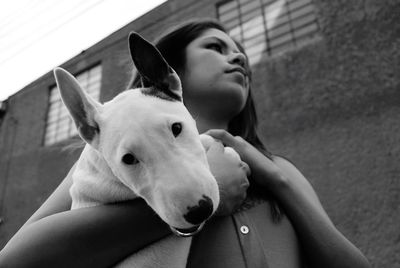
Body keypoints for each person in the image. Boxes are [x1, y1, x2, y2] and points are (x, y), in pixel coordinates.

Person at [0, 19, 370, 268]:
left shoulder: (279, 168)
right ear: (167, 71)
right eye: (215, 47)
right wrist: (197, 202)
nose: (238, 55)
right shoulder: (108, 161)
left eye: (238, 50)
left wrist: (278, 181)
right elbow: (16, 259)